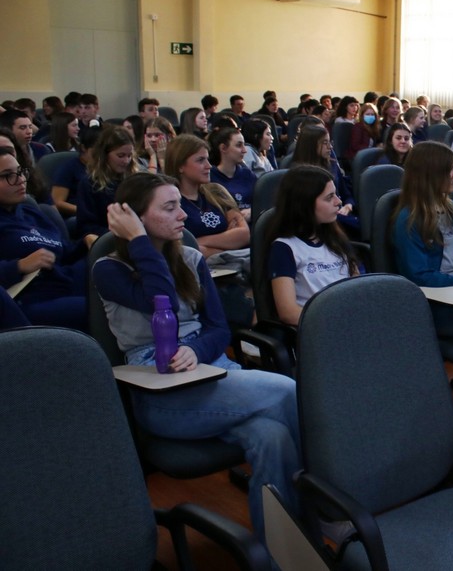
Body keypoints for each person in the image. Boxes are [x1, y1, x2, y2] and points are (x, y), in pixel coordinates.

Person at [94, 172, 300, 546]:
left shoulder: (190, 257)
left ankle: (283, 552)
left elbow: (219, 329)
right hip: (160, 389)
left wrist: (196, 349)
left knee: (273, 437)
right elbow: (161, 301)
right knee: (287, 390)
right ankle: (328, 505)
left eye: (180, 205)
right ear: (135, 217)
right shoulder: (109, 269)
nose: (183, 215)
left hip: (211, 367)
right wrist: (139, 240)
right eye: (169, 207)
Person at [393, 142, 453, 335]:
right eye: (450, 170)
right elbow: (419, 275)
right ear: (432, 175)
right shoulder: (409, 220)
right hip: (438, 298)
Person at [0, 146, 87, 330]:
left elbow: (64, 251)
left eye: (20, 172)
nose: (20, 180)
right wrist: (18, 266)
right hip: (30, 298)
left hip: (65, 281)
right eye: (8, 175)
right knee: (101, 308)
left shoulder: (31, 212)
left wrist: (86, 244)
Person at [266, 165, 362, 326]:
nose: (338, 202)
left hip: (350, 321)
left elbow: (357, 286)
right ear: (305, 204)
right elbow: (288, 313)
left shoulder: (335, 237)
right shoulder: (285, 248)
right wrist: (335, 322)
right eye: (329, 197)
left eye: (336, 195)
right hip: (319, 328)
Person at [164, 135, 250, 258]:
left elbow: (244, 234)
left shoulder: (216, 192)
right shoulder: (170, 203)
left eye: (207, 159)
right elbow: (185, 251)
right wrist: (227, 239)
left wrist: (198, 241)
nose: (209, 166)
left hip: (238, 263)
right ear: (180, 166)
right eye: (200, 160)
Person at [291, 122, 357, 233]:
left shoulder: (332, 164)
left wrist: (348, 205)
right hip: (327, 224)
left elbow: (346, 193)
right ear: (311, 146)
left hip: (344, 213)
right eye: (325, 143)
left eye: (330, 142)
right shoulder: (301, 177)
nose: (330, 147)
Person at [77, 125, 140, 242]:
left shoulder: (135, 180)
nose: (126, 161)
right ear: (105, 155)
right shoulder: (89, 184)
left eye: (129, 155)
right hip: (108, 240)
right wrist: (119, 233)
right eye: (120, 156)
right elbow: (86, 227)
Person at [209, 126, 257, 221]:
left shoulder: (248, 174)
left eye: (244, 145)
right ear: (223, 148)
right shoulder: (210, 177)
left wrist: (252, 211)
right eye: (239, 145)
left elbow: (262, 202)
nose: (244, 150)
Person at [52, 125, 101, 218]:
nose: (100, 154)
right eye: (96, 150)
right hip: (76, 215)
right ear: (83, 148)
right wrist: (82, 211)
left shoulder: (105, 168)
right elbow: (57, 202)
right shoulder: (69, 168)